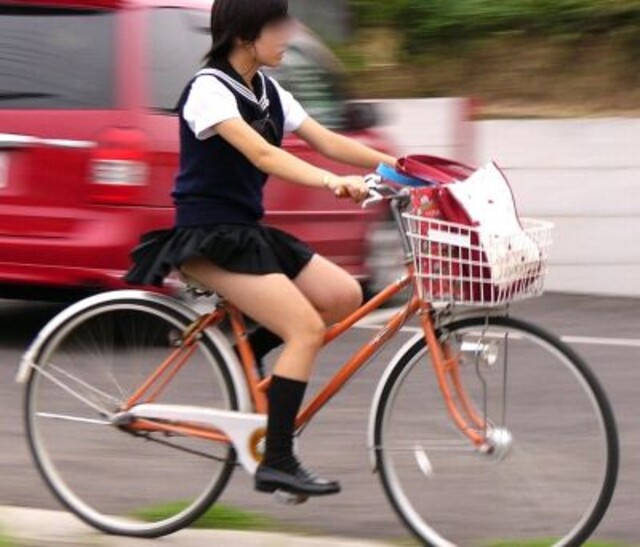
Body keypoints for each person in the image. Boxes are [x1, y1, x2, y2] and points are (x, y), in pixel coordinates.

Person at [124, 0, 397, 497]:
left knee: (343, 296)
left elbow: (328, 141)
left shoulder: (269, 90)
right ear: (244, 34)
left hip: (247, 232)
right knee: (305, 329)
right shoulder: (208, 89)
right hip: (209, 237)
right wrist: (332, 182)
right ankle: (277, 460)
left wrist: (400, 166)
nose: (289, 34)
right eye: (278, 25)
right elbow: (262, 153)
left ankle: (246, 352)